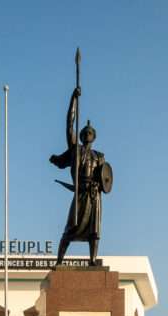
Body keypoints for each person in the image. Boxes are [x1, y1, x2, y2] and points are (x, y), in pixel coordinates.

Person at [49, 86, 107, 266]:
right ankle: (59, 261)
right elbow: (69, 123)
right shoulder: (76, 150)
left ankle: (92, 260)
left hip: (94, 194)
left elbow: (105, 179)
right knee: (70, 229)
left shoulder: (99, 156)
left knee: (94, 231)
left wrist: (100, 186)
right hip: (80, 193)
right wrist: (73, 99)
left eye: (90, 132)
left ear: (94, 136)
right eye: (85, 132)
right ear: (81, 136)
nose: (87, 134)